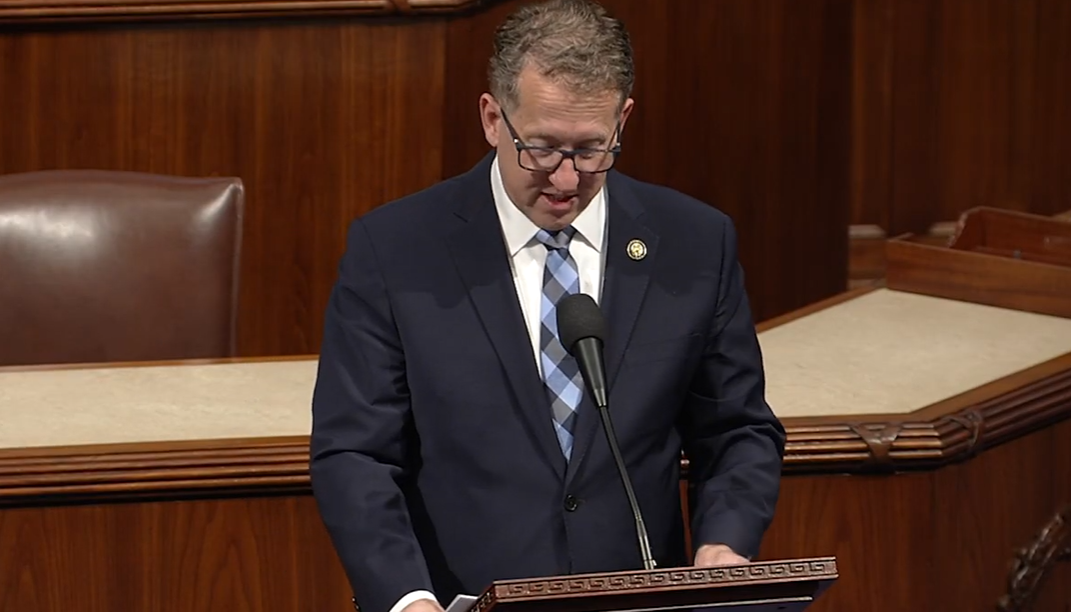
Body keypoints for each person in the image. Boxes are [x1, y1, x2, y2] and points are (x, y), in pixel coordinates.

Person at [309, 1, 786, 611]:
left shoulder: (694, 243)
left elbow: (737, 428)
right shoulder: (397, 250)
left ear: (623, 119)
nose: (565, 181)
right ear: (491, 117)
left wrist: (725, 545)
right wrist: (407, 598)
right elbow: (356, 453)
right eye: (540, 148)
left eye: (592, 150)